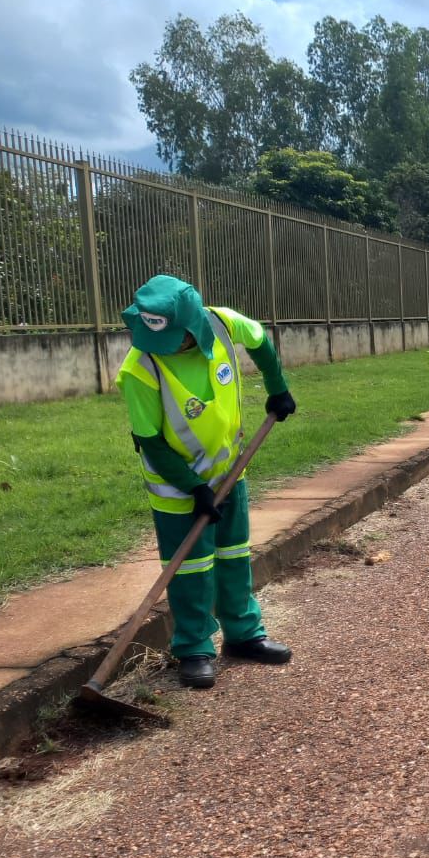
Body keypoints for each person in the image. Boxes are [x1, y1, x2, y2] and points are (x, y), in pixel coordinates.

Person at [117, 274, 296, 689]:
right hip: (175, 485)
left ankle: (244, 635)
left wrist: (277, 387)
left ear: (193, 324)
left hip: (230, 471)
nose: (161, 347)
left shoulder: (220, 322)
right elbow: (150, 442)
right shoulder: (139, 369)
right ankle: (195, 648)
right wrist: (194, 488)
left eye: (173, 338)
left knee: (234, 555)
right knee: (190, 569)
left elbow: (260, 342)